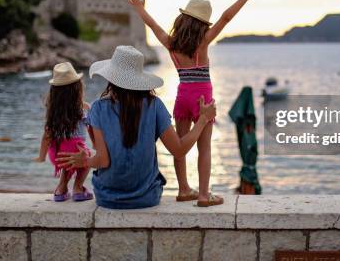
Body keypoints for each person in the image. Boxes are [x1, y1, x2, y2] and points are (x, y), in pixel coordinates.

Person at [128, 0, 258, 206]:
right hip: (202, 100)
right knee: (204, 147)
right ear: (202, 24)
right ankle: (204, 195)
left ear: (183, 19)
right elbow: (226, 18)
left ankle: (184, 189)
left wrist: (140, 9)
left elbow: (154, 26)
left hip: (182, 97)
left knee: (181, 145)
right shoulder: (204, 42)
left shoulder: (171, 43)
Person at [56, 45, 216, 209]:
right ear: (139, 79)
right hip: (147, 197)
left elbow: (103, 161)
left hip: (107, 198)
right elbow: (179, 150)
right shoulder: (154, 105)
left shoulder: (97, 108)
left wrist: (85, 161)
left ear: (112, 77)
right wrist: (203, 119)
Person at [34, 62, 94, 202]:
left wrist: (42, 157)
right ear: (78, 88)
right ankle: (78, 188)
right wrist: (96, 145)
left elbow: (46, 137)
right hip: (76, 151)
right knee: (87, 159)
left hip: (57, 154)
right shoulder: (82, 109)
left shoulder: (53, 113)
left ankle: (61, 190)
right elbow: (91, 128)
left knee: (67, 164)